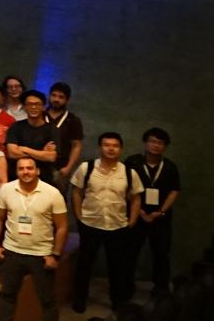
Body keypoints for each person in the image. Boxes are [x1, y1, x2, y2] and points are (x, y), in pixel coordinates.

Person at [0, 157, 69, 321]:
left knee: (47, 300)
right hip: (12, 250)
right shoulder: (6, 190)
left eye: (30, 168)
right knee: (7, 295)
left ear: (38, 171)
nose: (26, 172)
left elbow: (62, 227)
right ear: (16, 171)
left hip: (41, 254)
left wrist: (56, 255)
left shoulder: (52, 193)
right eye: (21, 169)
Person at [69, 132, 143, 311]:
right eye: (106, 145)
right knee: (84, 265)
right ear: (100, 147)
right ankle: (80, 300)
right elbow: (76, 192)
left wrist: (131, 221)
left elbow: (136, 199)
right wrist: (79, 216)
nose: (111, 148)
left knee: (117, 267)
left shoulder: (129, 172)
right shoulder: (86, 168)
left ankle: (117, 301)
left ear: (120, 149)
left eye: (115, 145)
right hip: (90, 224)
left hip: (117, 226)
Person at [127, 127, 180, 295]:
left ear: (165, 146)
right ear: (145, 143)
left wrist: (161, 211)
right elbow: (125, 188)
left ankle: (161, 290)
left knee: (161, 254)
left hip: (161, 218)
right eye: (152, 141)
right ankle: (126, 288)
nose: (156, 145)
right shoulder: (132, 162)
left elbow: (174, 190)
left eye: (160, 143)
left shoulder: (170, 166)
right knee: (130, 252)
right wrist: (140, 211)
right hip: (136, 214)